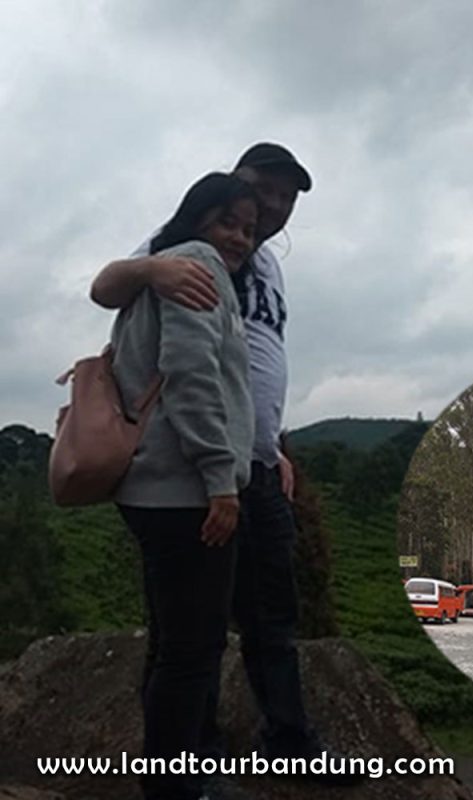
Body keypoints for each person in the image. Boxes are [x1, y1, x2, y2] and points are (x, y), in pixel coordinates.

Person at [91, 144, 351, 774]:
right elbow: (107, 291)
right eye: (264, 190)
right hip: (199, 467)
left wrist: (272, 443)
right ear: (233, 186)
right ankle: (192, 757)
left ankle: (283, 739)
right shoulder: (191, 249)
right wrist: (152, 270)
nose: (273, 206)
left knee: (267, 611)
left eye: (286, 198)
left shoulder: (266, 266)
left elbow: (251, 362)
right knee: (192, 629)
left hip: (253, 459)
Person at [111, 172, 258, 800]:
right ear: (197, 218)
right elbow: (191, 375)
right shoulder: (196, 265)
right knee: (193, 652)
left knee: (172, 646)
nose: (240, 238)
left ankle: (168, 780)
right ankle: (175, 788)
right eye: (228, 222)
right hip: (187, 494)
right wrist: (221, 481)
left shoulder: (162, 271)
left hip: (154, 489)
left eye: (249, 229)